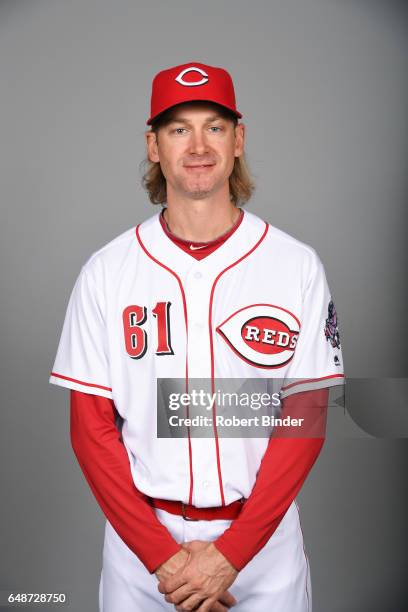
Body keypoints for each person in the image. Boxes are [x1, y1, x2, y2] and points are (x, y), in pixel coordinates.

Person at [49, 61, 345, 611]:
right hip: (143, 552)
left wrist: (230, 554)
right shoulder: (107, 271)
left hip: (263, 547)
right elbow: (91, 431)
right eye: (178, 128)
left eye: (214, 125)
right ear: (154, 146)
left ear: (239, 139)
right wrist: (163, 559)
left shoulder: (294, 264)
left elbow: (306, 417)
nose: (198, 144)